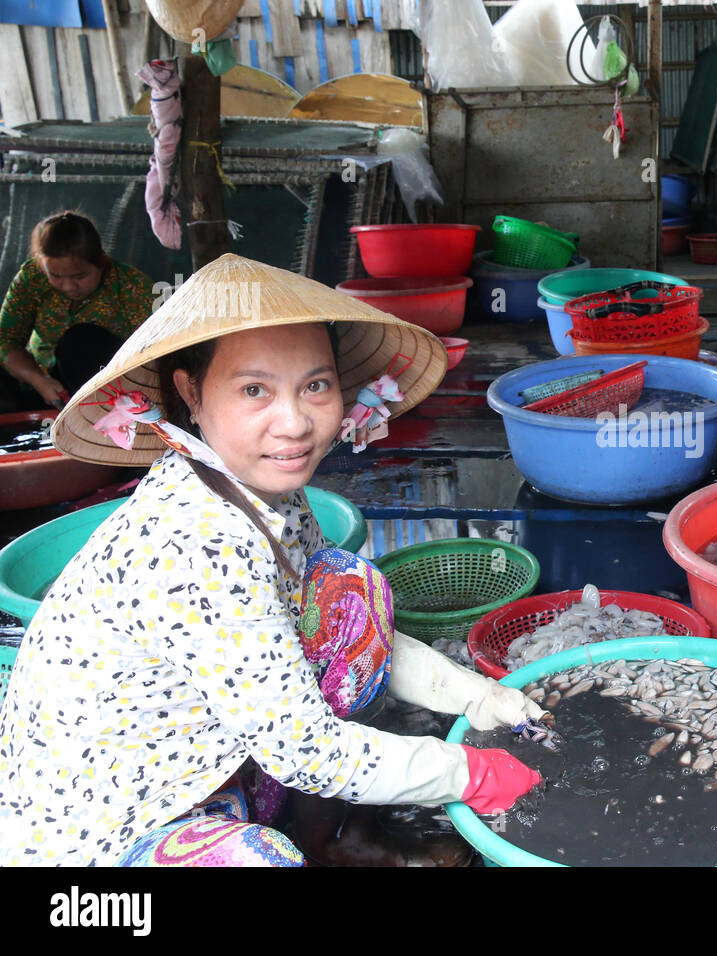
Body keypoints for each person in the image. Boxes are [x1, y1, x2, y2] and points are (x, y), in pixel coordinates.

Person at [0, 253, 545, 867]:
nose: (294, 423)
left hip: (209, 763)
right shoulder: (196, 542)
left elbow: (350, 634)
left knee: (347, 592)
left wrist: (477, 699)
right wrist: (470, 773)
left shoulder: (264, 489)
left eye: (315, 386)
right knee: (259, 861)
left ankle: (329, 843)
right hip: (110, 832)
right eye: (254, 390)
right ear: (191, 395)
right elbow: (308, 752)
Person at [0, 211, 154, 412]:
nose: (68, 286)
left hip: (110, 390)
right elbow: (6, 341)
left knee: (78, 340)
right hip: (44, 388)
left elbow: (156, 356)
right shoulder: (32, 277)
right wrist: (38, 380)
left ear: (102, 262)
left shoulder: (132, 286)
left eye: (79, 276)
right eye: (55, 276)